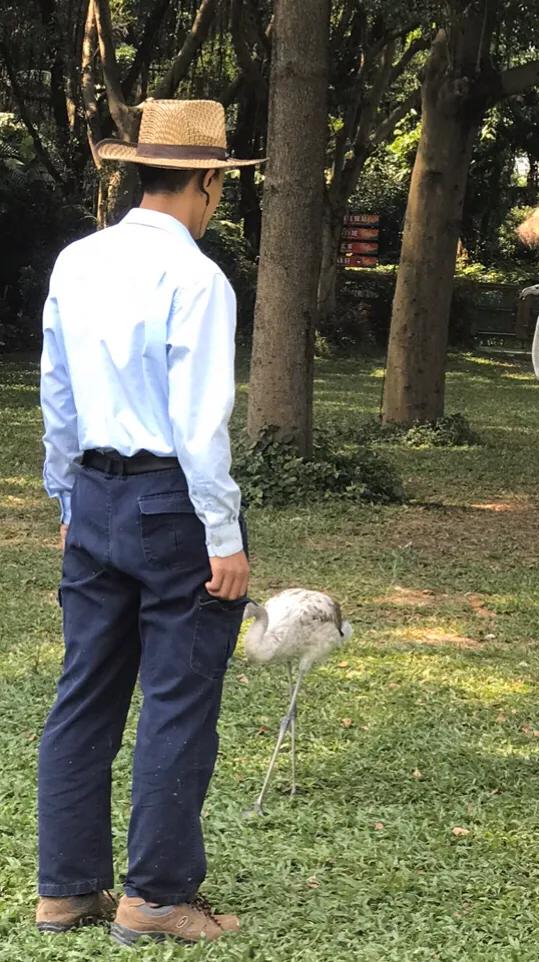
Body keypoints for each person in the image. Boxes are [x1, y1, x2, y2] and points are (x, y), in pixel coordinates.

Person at [34, 99, 262, 946]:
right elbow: (200, 423)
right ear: (208, 182)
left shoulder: (77, 261)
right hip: (171, 505)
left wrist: (67, 499)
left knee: (83, 693)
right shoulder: (197, 278)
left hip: (91, 493)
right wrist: (225, 535)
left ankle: (66, 889)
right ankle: (156, 897)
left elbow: (56, 394)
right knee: (177, 698)